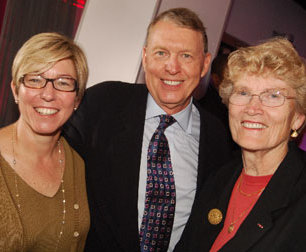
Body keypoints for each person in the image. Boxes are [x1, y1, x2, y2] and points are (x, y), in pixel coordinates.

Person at [63, 7, 233, 252]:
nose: (172, 67)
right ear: (145, 57)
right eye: (161, 53)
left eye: (186, 56)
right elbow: (48, 161)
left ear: (205, 64)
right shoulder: (102, 104)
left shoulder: (219, 135)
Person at [175, 37, 306, 252]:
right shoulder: (218, 178)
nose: (252, 107)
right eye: (243, 93)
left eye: (273, 96)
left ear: (298, 118)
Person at [0, 32, 90, 251]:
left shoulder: (80, 165)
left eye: (63, 83)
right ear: (16, 90)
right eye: (35, 80)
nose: (48, 94)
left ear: (77, 99)